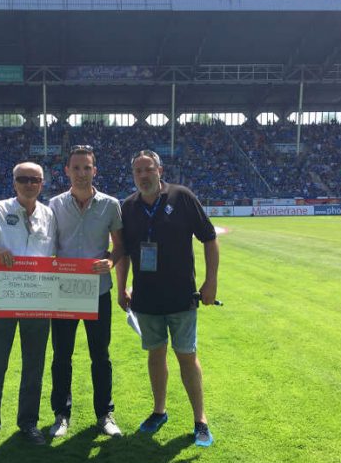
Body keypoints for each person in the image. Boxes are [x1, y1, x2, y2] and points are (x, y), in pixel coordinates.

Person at [115, 150, 219, 447]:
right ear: (133, 175)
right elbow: (123, 253)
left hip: (181, 296)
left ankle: (200, 420)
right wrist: (122, 287)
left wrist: (211, 282)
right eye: (138, 171)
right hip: (146, 300)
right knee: (155, 354)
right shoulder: (129, 207)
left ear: (159, 170)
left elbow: (210, 239)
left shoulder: (182, 197)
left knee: (187, 356)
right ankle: (159, 411)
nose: (143, 175)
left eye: (148, 169)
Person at [0, 162, 56, 453]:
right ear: (14, 182)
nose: (29, 184)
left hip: (38, 299)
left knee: (34, 366)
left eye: (35, 179)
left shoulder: (49, 214)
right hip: (4, 296)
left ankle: (28, 423)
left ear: (42, 183)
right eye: (23, 179)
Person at [47, 145, 125, 439]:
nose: (82, 173)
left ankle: (104, 414)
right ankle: (61, 415)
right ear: (67, 171)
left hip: (97, 292)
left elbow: (119, 246)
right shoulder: (53, 205)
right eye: (76, 168)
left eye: (87, 168)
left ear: (95, 170)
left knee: (100, 356)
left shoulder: (110, 205)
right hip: (64, 292)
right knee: (61, 356)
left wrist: (111, 260)